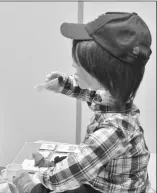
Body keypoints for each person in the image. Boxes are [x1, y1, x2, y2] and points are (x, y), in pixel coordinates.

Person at [13, 12, 152, 193]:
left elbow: (77, 169)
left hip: (108, 189)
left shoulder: (114, 130)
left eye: (79, 65)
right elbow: (93, 95)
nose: (73, 67)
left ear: (106, 75)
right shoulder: (116, 100)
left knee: (54, 184)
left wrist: (36, 181)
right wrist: (64, 85)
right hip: (105, 178)